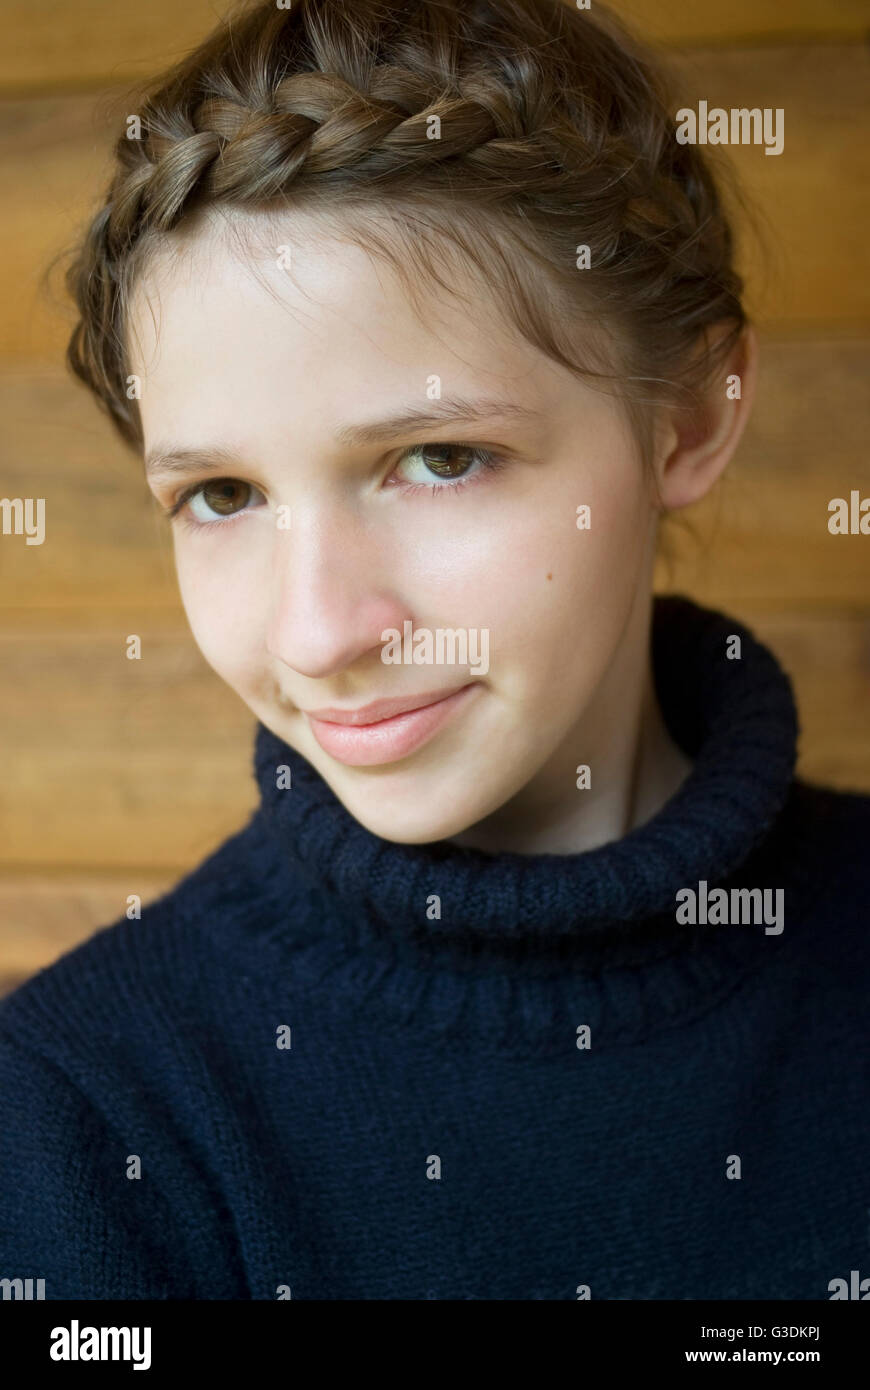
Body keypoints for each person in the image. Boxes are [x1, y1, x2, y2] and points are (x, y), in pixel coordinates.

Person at [1, 0, 867, 1301]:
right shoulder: (74, 1115)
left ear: (688, 414)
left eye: (437, 459)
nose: (317, 632)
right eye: (221, 495)